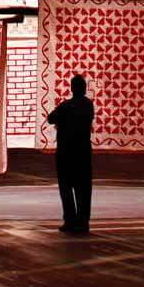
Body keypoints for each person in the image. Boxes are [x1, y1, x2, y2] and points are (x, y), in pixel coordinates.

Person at [46, 74, 95, 234]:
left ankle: (70, 221)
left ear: (72, 88)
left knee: (66, 188)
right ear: (85, 88)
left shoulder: (65, 106)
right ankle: (83, 223)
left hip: (66, 153)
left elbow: (51, 119)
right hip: (83, 152)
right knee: (84, 189)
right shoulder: (89, 105)